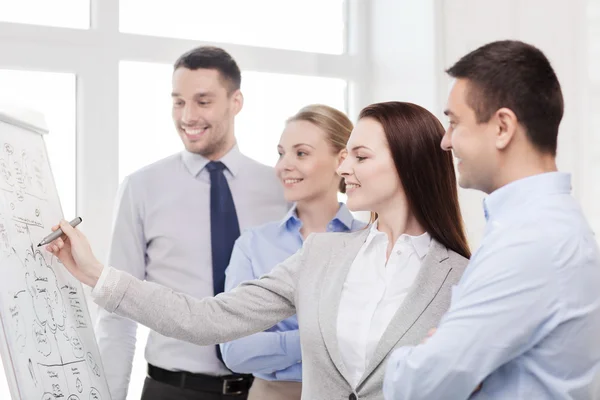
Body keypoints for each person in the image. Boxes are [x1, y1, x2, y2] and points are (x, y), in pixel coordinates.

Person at [46, 101, 471, 399]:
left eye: (360, 157)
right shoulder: (324, 254)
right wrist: (97, 275)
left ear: (408, 162)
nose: (344, 169)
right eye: (344, 157)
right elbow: (206, 318)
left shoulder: (461, 275)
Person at [382, 40, 600, 400]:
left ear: (502, 127)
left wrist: (413, 359)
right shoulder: (540, 227)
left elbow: (419, 386)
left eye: (454, 123)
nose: (445, 142)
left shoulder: (532, 241)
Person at [97, 46, 288, 400]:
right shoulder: (142, 187)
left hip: (267, 390)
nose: (187, 116)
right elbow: (116, 309)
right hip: (172, 390)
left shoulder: (280, 190)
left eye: (203, 101)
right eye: (178, 102)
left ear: (236, 102)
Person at [220, 104, 365, 400]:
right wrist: (319, 341)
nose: (283, 165)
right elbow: (235, 350)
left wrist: (276, 347)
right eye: (281, 153)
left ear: (341, 160)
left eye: (301, 153)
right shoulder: (253, 244)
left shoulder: (369, 241)